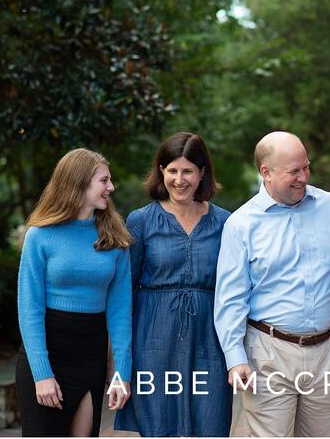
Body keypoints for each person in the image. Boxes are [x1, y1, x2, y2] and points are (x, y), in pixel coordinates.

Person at [214, 131, 330, 437]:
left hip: (327, 351)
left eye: (306, 167)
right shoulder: (241, 225)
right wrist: (235, 358)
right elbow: (231, 298)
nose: (303, 177)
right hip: (269, 352)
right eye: (293, 171)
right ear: (266, 173)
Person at [115, 132, 233, 437]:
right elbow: (123, 293)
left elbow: (236, 289)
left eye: (188, 171)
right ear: (161, 172)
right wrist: (120, 363)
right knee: (159, 426)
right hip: (153, 341)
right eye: (172, 171)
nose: (179, 180)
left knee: (211, 424)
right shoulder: (141, 221)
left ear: (202, 173)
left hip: (210, 342)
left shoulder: (226, 223)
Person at [15, 148, 132, 437]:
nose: (111, 188)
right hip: (47, 355)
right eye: (104, 181)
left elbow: (120, 313)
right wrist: (42, 374)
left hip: (90, 355)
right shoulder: (40, 235)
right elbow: (29, 308)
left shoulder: (114, 238)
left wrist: (121, 374)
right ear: (79, 183)